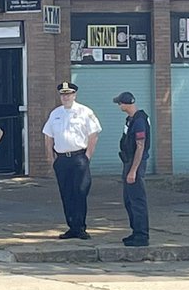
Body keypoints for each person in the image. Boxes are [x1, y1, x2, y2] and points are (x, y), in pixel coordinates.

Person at [42, 81, 102, 240]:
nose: (65, 97)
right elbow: (48, 136)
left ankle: (80, 227)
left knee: (80, 192)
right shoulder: (55, 113)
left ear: (74, 95)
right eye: (63, 94)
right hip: (62, 160)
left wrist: (88, 155)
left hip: (78, 158)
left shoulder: (84, 112)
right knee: (66, 194)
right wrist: (51, 157)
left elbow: (93, 134)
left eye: (68, 94)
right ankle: (71, 227)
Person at [114, 92, 151, 247]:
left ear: (126, 103)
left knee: (137, 200)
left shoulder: (139, 121)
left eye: (120, 103)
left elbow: (140, 146)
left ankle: (142, 235)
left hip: (135, 164)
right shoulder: (130, 120)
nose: (119, 106)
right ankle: (135, 232)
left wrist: (133, 170)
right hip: (128, 162)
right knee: (129, 201)